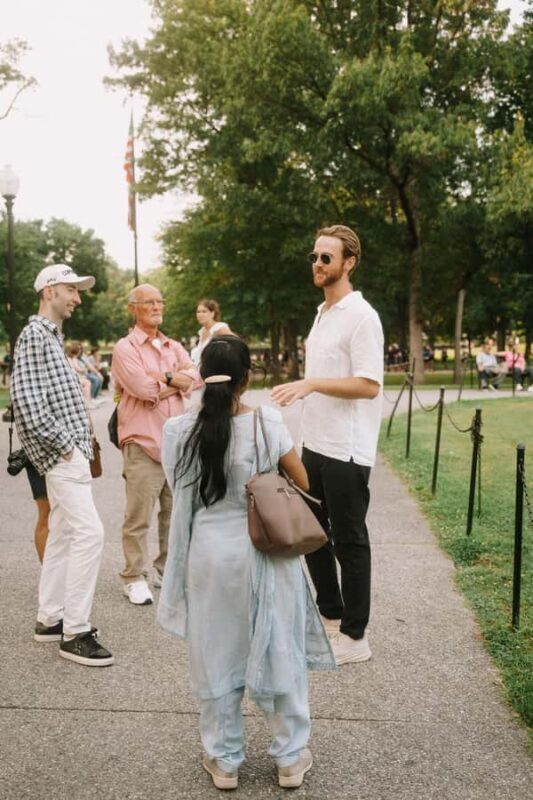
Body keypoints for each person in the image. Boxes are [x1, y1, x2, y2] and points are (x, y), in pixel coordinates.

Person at [159, 335, 334, 791]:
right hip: (265, 550)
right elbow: (301, 478)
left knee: (217, 651)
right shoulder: (266, 424)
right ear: (248, 379)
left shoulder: (179, 430)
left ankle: (225, 760)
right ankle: (290, 758)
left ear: (199, 377)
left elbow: (180, 489)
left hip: (208, 558)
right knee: (279, 646)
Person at [272, 224, 383, 667]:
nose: (317, 264)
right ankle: (331, 615)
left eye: (326, 258)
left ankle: (356, 636)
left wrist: (310, 383)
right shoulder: (322, 314)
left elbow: (369, 385)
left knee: (350, 541)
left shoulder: (362, 316)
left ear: (349, 262)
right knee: (311, 535)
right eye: (314, 257)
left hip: (348, 450)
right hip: (314, 445)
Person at [10, 263, 113, 666]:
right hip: (62, 454)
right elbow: (26, 403)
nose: (78, 298)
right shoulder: (36, 335)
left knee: (63, 533)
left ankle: (50, 618)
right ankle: (76, 631)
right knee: (89, 534)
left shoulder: (49, 336)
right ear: (50, 290)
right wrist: (66, 446)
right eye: (72, 290)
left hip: (67, 453)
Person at [111, 283, 201, 606]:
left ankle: (166, 570)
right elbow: (142, 388)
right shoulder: (125, 348)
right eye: (148, 302)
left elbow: (196, 379)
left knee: (174, 515)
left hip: (175, 444)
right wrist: (171, 382)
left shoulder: (172, 345)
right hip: (141, 443)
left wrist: (162, 377)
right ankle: (134, 576)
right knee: (139, 516)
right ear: (133, 308)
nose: (156, 306)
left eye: (160, 301)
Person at [190, 299, 232, 366]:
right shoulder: (201, 331)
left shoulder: (219, 328)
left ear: (212, 313)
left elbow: (238, 345)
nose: (200, 314)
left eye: (204, 311)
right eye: (198, 312)